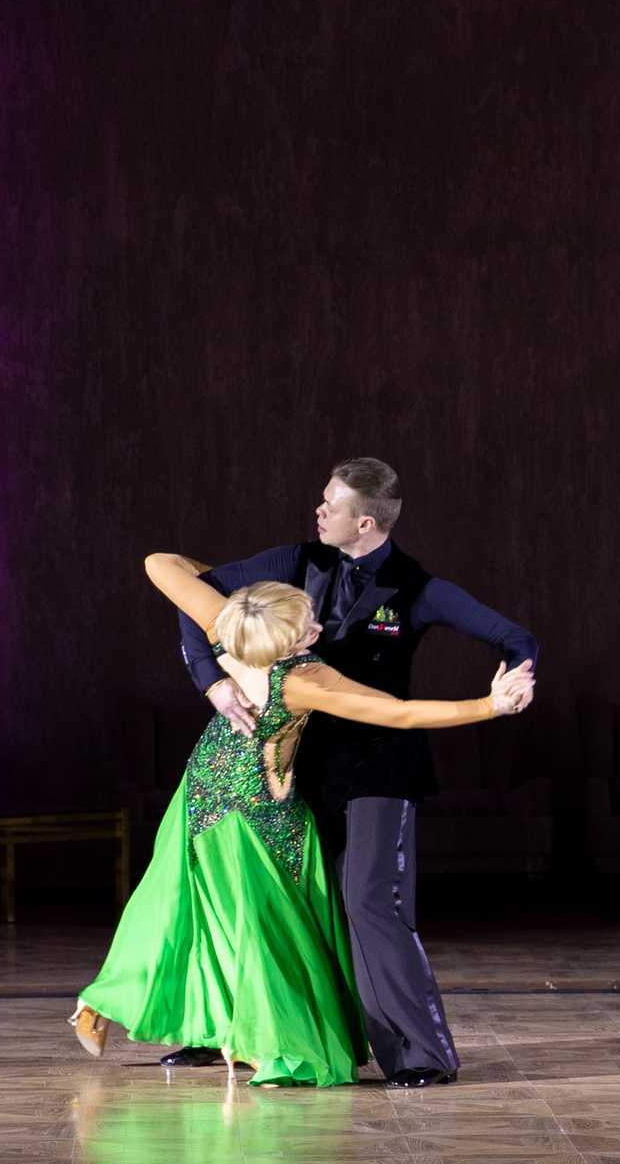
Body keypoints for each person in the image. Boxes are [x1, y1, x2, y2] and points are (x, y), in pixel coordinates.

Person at [70, 565, 530, 1087]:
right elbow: (397, 713)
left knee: (183, 908)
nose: (317, 628)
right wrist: (490, 705)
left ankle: (104, 1003)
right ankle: (270, 1039)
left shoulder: (229, 630)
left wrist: (212, 672)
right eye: (307, 626)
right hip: (258, 815)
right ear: (289, 642)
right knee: (267, 928)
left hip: (200, 794)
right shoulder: (302, 680)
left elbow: (159, 563)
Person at [172, 459, 538, 1088]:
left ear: (364, 521)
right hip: (298, 768)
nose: (318, 512)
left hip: (379, 765)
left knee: (371, 902)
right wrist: (211, 681)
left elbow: (514, 636)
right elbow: (190, 586)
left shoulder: (416, 588)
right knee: (283, 903)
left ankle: (421, 1053)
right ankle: (245, 1036)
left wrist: (515, 677)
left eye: (330, 505)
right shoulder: (296, 561)